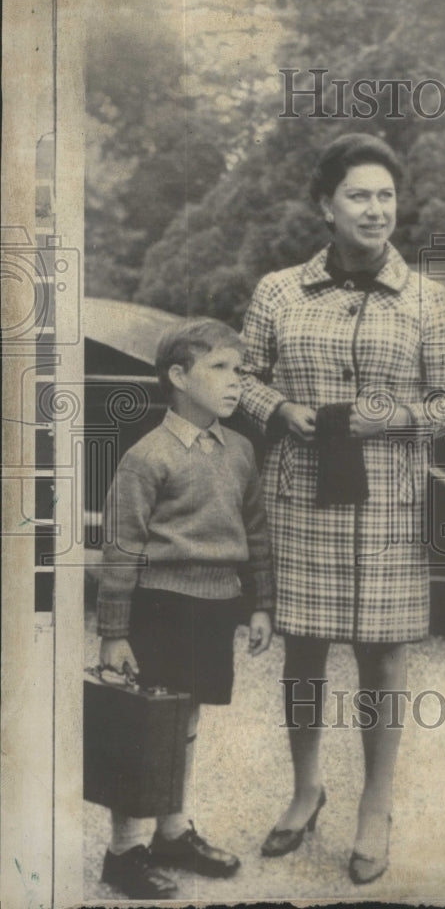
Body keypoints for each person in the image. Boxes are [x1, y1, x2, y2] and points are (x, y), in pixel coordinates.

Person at [239, 132, 445, 885]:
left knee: (383, 653)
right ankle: (306, 789)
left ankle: (376, 805)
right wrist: (281, 409)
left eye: (386, 196)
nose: (376, 210)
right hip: (301, 492)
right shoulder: (278, 291)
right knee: (303, 648)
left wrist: (396, 417)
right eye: (359, 195)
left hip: (389, 503)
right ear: (325, 206)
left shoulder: (427, 298)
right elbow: (241, 377)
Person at [96, 318, 275, 899]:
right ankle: (124, 851)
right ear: (178, 376)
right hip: (160, 607)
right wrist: (114, 632)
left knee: (187, 721)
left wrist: (260, 605)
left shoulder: (241, 450)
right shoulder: (147, 457)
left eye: (240, 370)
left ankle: (172, 832)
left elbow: (256, 532)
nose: (236, 381)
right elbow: (120, 547)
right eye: (220, 368)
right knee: (144, 725)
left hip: (214, 607)